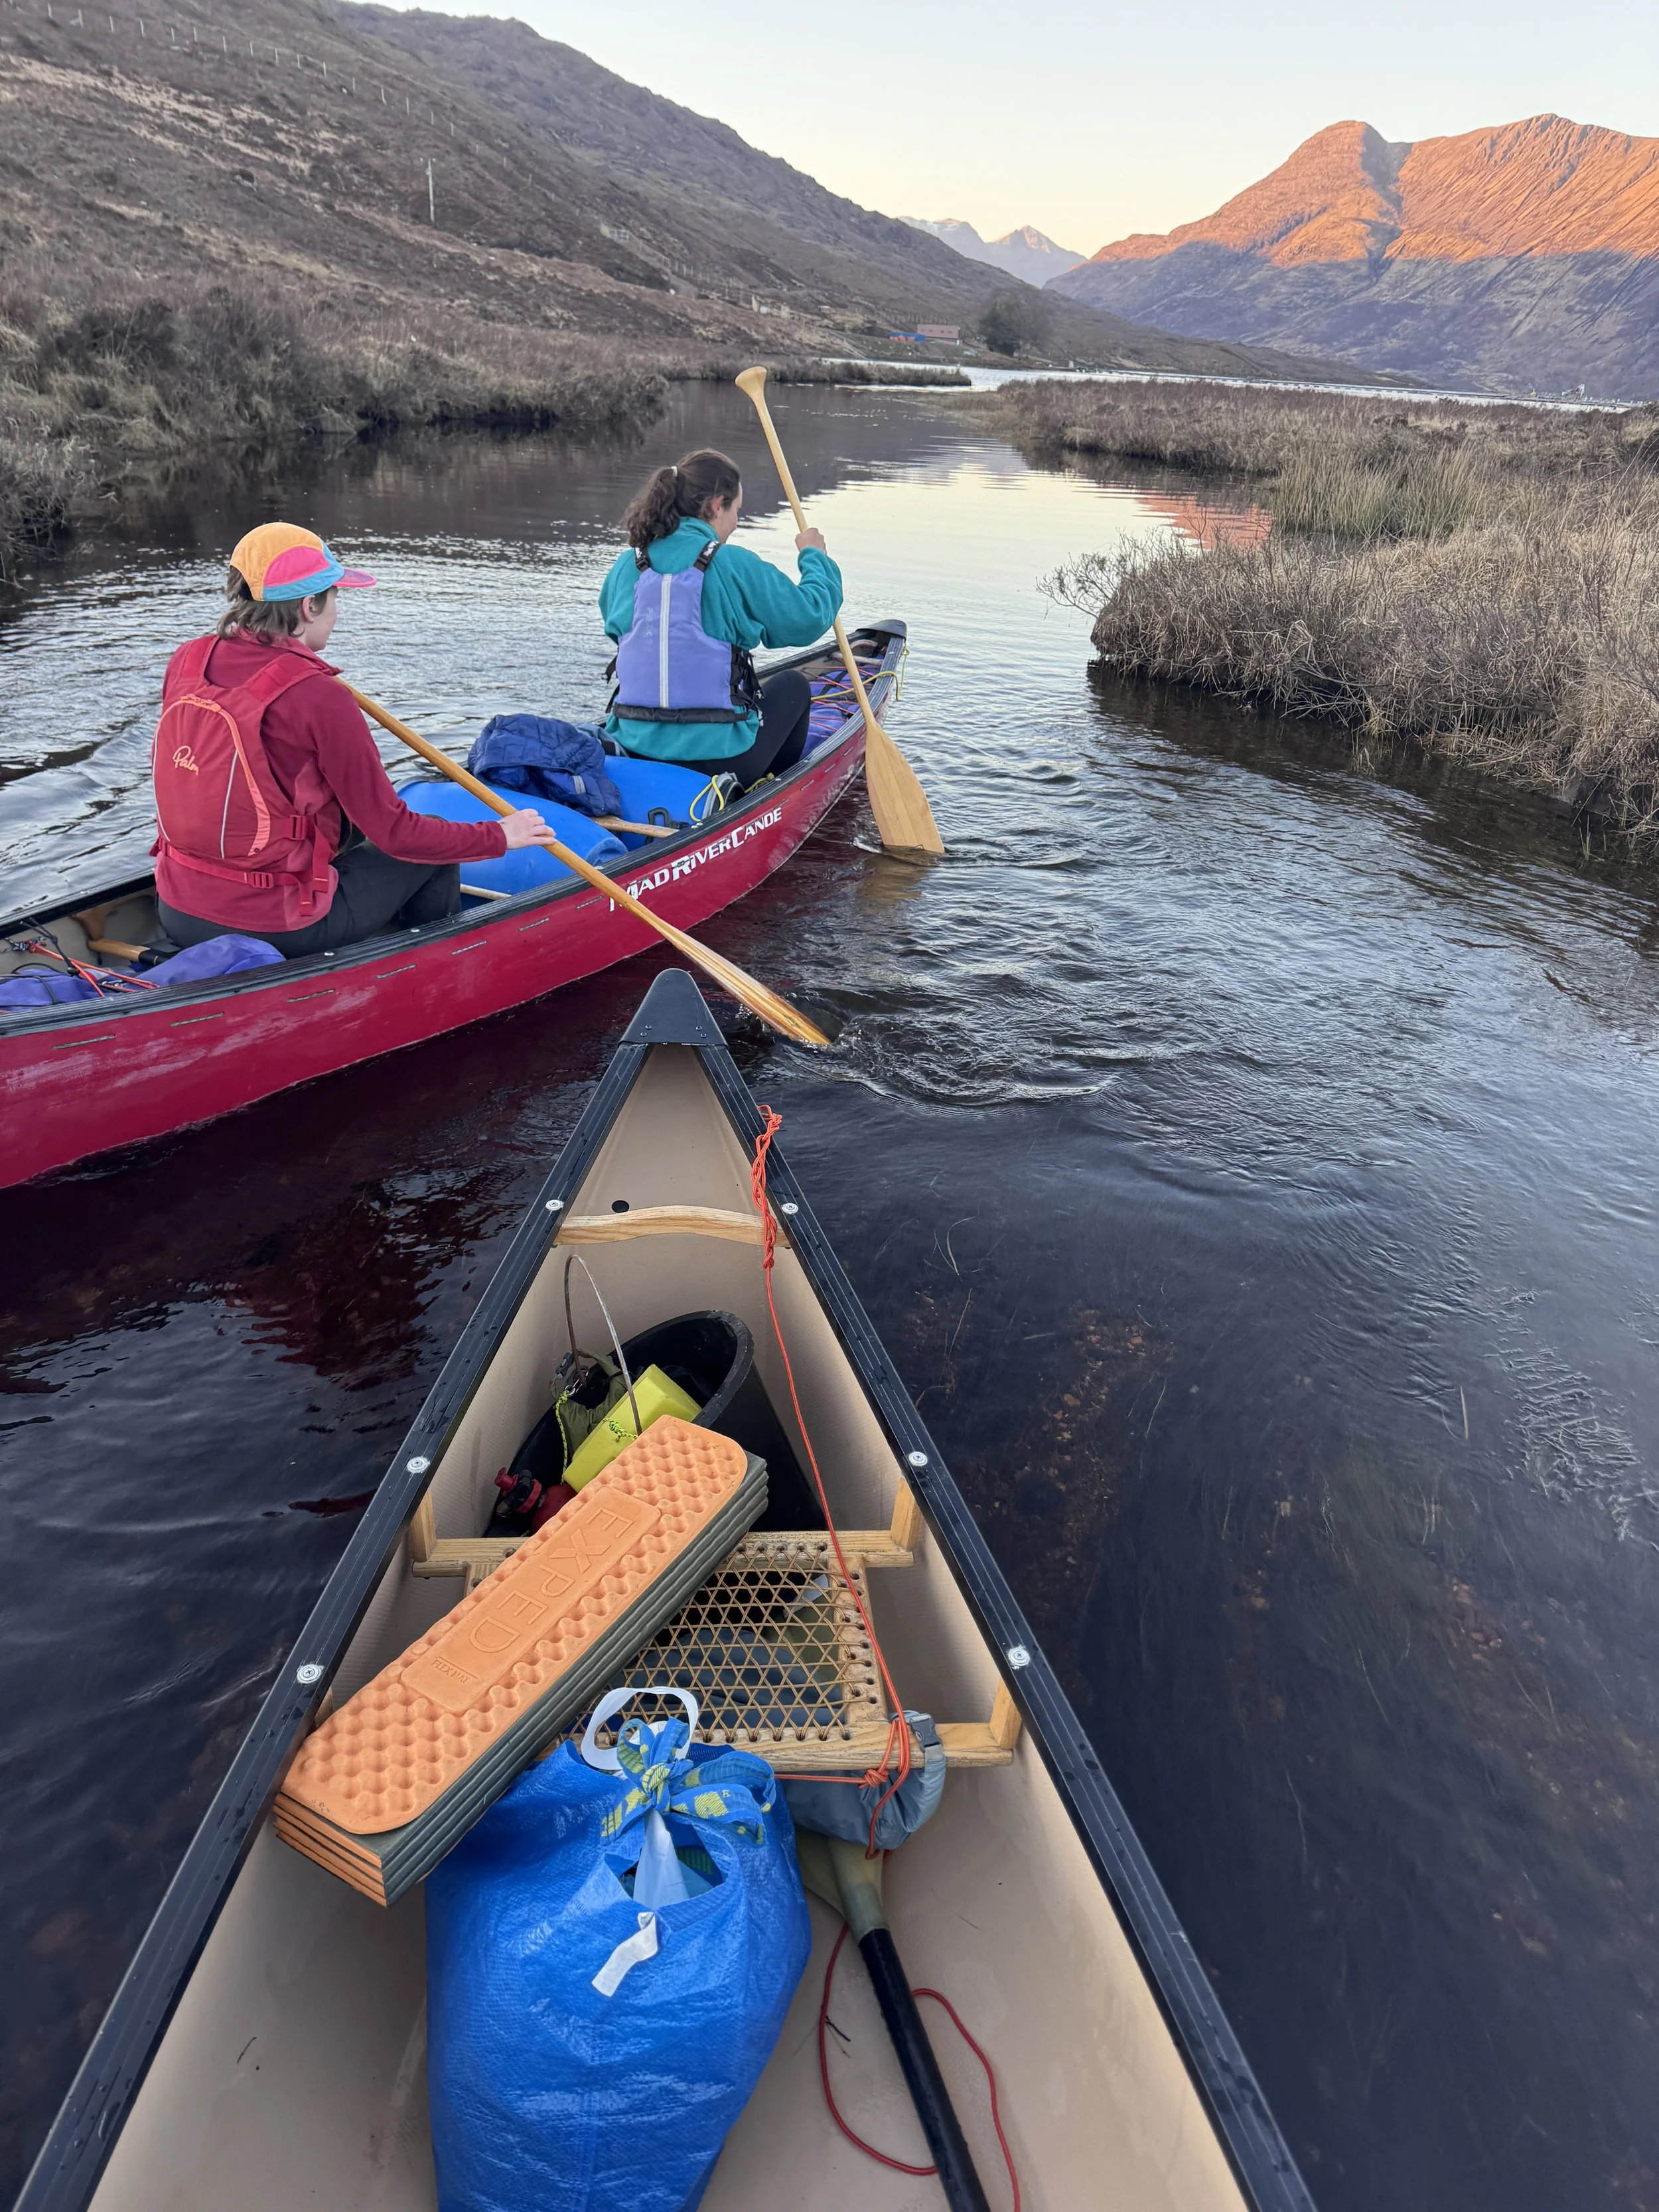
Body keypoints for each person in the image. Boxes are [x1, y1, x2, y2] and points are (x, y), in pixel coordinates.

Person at [152, 522, 559, 957]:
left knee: (352, 831)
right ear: (309, 606)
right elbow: (396, 834)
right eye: (335, 598)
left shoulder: (187, 660)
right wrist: (499, 835)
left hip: (175, 907)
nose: (336, 612)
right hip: (277, 925)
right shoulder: (318, 695)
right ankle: (436, 966)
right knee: (432, 852)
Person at [599, 448, 842, 790]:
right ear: (716, 506)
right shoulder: (732, 563)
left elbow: (620, 630)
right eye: (736, 510)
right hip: (721, 759)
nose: (736, 522)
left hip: (634, 748)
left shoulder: (627, 565)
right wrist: (815, 557)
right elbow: (811, 616)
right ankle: (770, 793)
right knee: (794, 686)